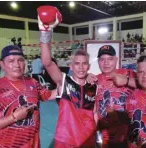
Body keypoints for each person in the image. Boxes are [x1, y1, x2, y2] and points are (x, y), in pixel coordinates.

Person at [38, 5, 97, 147]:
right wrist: (45, 32)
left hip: (87, 140)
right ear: (71, 66)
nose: (81, 67)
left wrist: (97, 136)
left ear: (88, 67)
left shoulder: (94, 85)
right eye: (77, 63)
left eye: (84, 64)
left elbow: (95, 113)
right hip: (65, 141)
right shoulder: (64, 81)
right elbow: (47, 62)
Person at [0, 45, 57, 148]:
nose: (17, 65)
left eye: (20, 60)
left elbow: (49, 95)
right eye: (11, 61)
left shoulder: (32, 82)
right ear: (2, 64)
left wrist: (72, 84)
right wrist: (13, 117)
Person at [87, 45, 136, 147]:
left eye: (110, 59)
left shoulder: (128, 74)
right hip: (104, 135)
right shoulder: (93, 80)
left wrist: (127, 81)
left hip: (128, 134)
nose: (106, 63)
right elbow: (93, 111)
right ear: (98, 62)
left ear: (116, 59)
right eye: (102, 60)